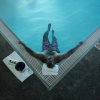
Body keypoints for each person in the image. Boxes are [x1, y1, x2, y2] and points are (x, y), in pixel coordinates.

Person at [19, 24, 83, 68]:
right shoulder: (59, 57)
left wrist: (23, 44)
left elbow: (31, 53)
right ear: (54, 61)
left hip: (45, 48)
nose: (50, 58)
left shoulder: (42, 57)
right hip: (54, 49)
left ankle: (48, 30)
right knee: (54, 39)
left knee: (44, 36)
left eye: (48, 59)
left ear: (46, 61)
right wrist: (78, 45)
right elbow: (70, 52)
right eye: (51, 60)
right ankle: (52, 34)